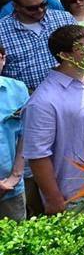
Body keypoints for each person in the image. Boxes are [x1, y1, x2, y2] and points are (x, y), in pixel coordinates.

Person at [22, 25, 84, 214]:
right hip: (73, 195)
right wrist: (54, 199)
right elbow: (37, 156)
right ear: (65, 55)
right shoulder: (44, 100)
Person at [0, 0, 76, 90]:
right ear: (16, 6)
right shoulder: (2, 29)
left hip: (66, 89)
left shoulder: (64, 18)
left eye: (43, 4)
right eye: (32, 8)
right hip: (24, 96)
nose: (40, 10)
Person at [0, 46, 29, 221]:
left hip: (11, 187)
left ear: (3, 59)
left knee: (17, 243)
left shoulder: (17, 89)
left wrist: (14, 177)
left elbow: (26, 135)